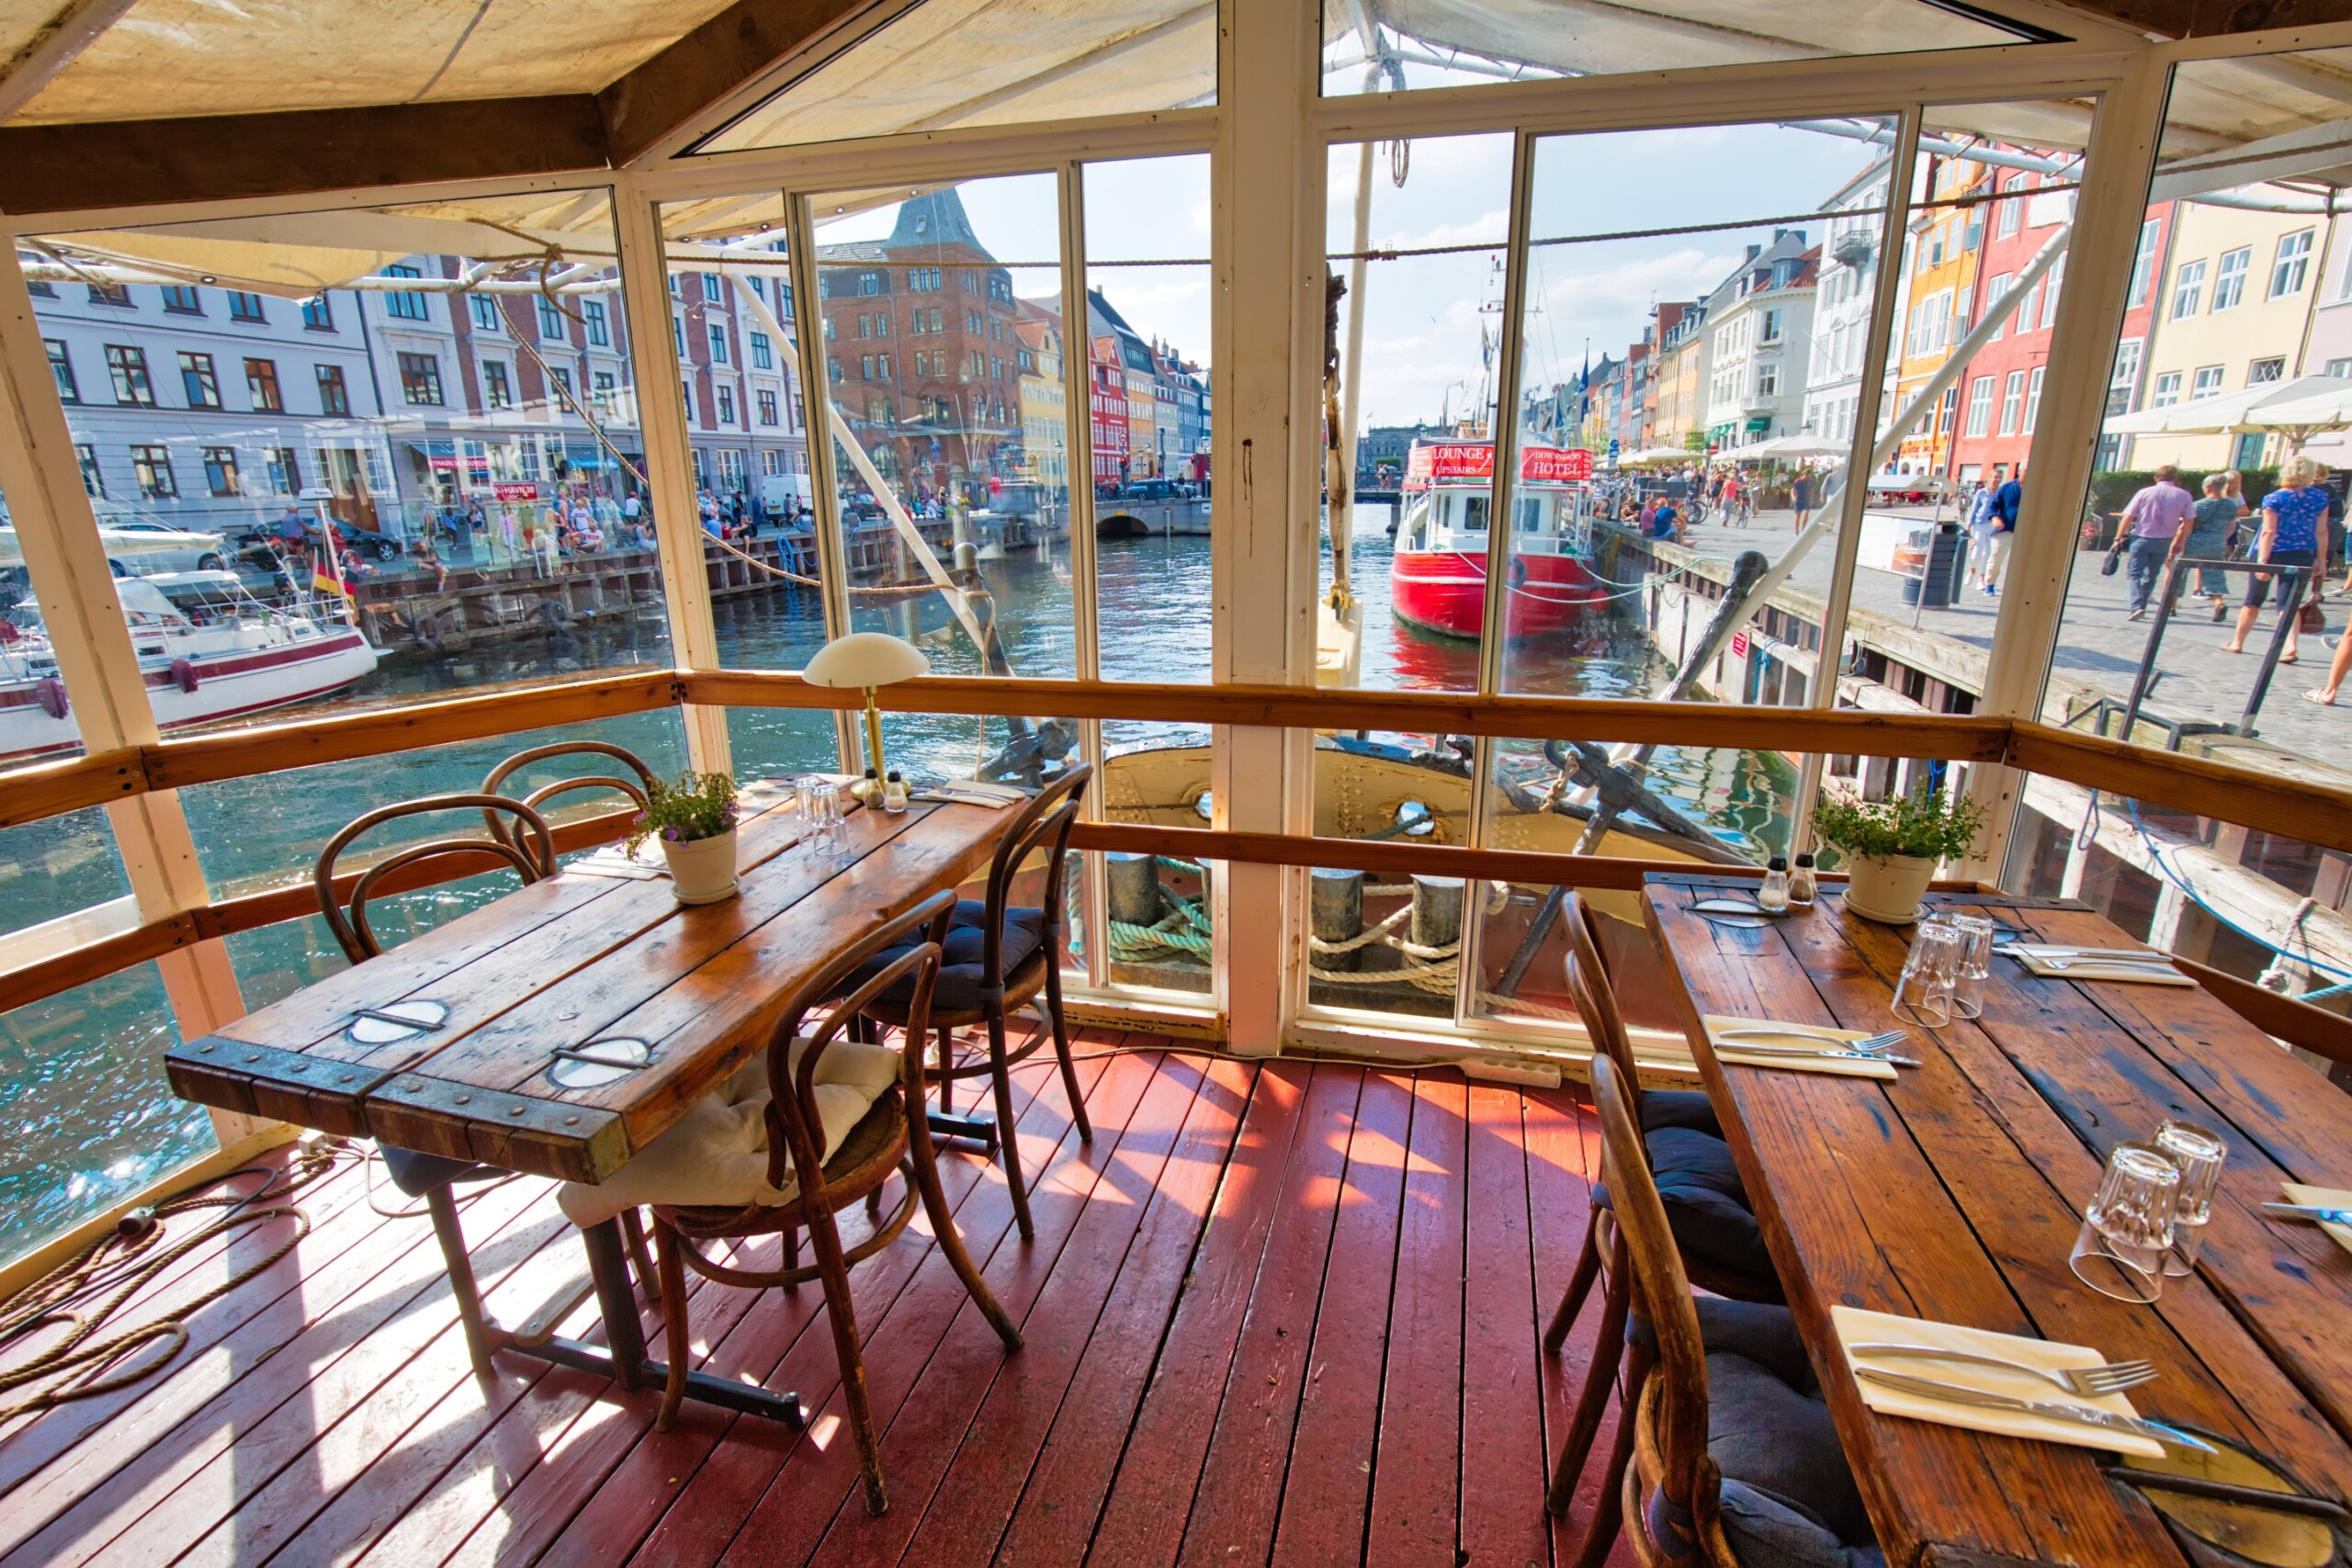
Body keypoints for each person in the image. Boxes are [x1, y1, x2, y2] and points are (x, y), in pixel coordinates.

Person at [2222, 453, 2332, 663]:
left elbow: (2268, 532)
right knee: (2288, 603)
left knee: (2253, 599)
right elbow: (2321, 531)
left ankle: (2238, 641)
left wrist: (2263, 561)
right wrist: (2321, 560)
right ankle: (2291, 646)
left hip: (2272, 551)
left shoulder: (2275, 498)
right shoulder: (2319, 498)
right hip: (2302, 553)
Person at [2116, 464, 2195, 620]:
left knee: (2133, 574)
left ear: (2156, 478)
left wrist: (2118, 538)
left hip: (2142, 538)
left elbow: (2128, 516)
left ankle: (2135, 606)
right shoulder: (2184, 495)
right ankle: (2141, 606)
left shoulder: (2144, 492)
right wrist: (2181, 540)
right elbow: (2189, 520)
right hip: (2164, 541)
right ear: (2175, 479)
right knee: (2151, 576)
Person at [2170, 474, 2242, 621]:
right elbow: (2232, 526)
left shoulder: (2198, 505)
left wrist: (2177, 543)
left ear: (2207, 488)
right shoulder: (2230, 505)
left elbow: (2186, 526)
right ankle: (2219, 603)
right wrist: (2222, 538)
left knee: (2180, 572)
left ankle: (2172, 605)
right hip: (2217, 542)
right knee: (2214, 573)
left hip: (2194, 541)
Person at [1984, 467, 2023, 594]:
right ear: (2019, 471)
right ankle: (1989, 584)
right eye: (2027, 469)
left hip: (2025, 532)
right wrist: (1995, 517)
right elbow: (1993, 505)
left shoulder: (2037, 489)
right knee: (1996, 560)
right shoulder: (2007, 487)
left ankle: (2017, 588)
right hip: (2004, 529)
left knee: (2021, 562)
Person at [1966, 469, 2000, 587]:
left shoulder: (2000, 493)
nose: (1997, 480)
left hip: (1993, 526)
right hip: (1979, 525)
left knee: (1988, 554)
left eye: (2000, 477)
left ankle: (1981, 579)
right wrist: (1969, 528)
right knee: (1977, 553)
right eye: (1995, 477)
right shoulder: (1981, 493)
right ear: (1989, 478)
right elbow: (1974, 509)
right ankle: (1971, 571)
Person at [1791, 468, 1814, 533]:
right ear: (1804, 474)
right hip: (1798, 499)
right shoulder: (1798, 481)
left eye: (1809, 475)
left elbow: (1812, 491)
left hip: (1807, 499)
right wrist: (1793, 498)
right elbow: (1792, 490)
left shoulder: (1810, 481)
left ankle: (1803, 529)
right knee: (1798, 515)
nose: (1808, 477)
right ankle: (1796, 530)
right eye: (1806, 475)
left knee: (1806, 513)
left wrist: (1811, 499)